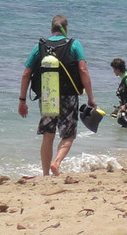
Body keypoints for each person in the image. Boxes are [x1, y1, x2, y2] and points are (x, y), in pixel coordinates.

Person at [18, 14, 96, 175]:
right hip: (68, 96)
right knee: (68, 135)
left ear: (51, 29)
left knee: (48, 134)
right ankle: (57, 163)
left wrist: (22, 100)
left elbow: (26, 73)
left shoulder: (40, 46)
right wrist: (90, 97)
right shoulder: (74, 44)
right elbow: (83, 70)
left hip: (47, 96)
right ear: (65, 28)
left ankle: (46, 174)